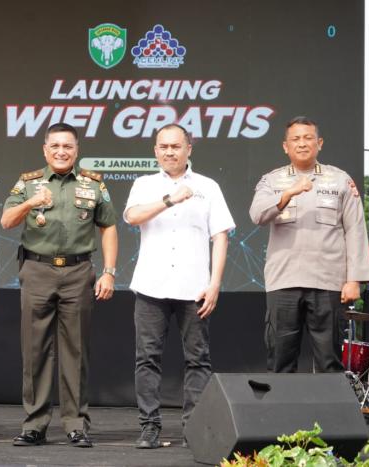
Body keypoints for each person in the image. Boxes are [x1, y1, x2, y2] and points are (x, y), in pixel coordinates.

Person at [1, 122, 118, 448]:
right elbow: (7, 221)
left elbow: (108, 227)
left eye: (68, 146)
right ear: (45, 150)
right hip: (37, 270)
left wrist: (109, 272)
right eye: (55, 146)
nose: (61, 152)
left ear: (76, 150)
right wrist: (30, 203)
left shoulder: (93, 183)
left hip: (78, 272)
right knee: (34, 350)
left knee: (75, 350)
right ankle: (34, 425)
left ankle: (76, 424)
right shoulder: (28, 183)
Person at [123, 123, 234, 449]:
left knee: (198, 360)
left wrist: (215, 284)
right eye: (163, 146)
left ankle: (193, 429)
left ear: (189, 149)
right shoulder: (144, 184)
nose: (169, 152)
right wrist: (169, 200)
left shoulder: (208, 186)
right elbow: (132, 217)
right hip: (151, 286)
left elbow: (220, 236)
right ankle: (149, 427)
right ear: (155, 150)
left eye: (175, 146)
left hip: (195, 287)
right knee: (147, 359)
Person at [250, 116, 369, 373]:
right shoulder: (272, 181)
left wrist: (354, 280)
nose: (302, 143)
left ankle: (329, 403)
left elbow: (355, 229)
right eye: (296, 139)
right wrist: (288, 193)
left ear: (320, 143)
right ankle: (281, 402)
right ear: (286, 146)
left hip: (328, 282)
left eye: (308, 138)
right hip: (284, 280)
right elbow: (257, 215)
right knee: (280, 361)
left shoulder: (340, 180)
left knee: (330, 362)